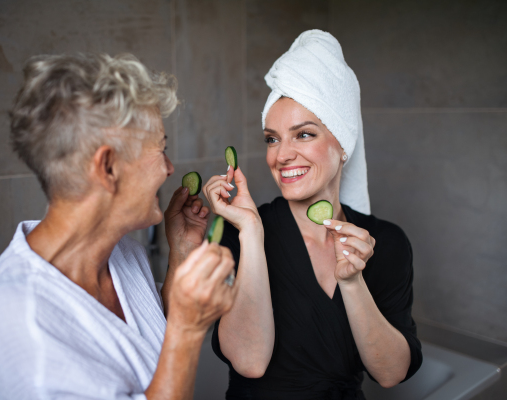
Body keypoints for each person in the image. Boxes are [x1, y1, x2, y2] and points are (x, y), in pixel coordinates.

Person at [0, 53, 237, 400]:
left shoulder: (123, 253)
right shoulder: (14, 324)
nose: (169, 168)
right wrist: (189, 329)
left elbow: (142, 347)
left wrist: (180, 255)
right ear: (107, 167)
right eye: (160, 150)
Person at [163, 30, 423, 399]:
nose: (281, 155)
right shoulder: (239, 232)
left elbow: (391, 372)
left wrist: (352, 283)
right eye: (272, 138)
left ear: (342, 143)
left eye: (303, 135)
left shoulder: (387, 242)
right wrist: (252, 232)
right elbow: (250, 361)